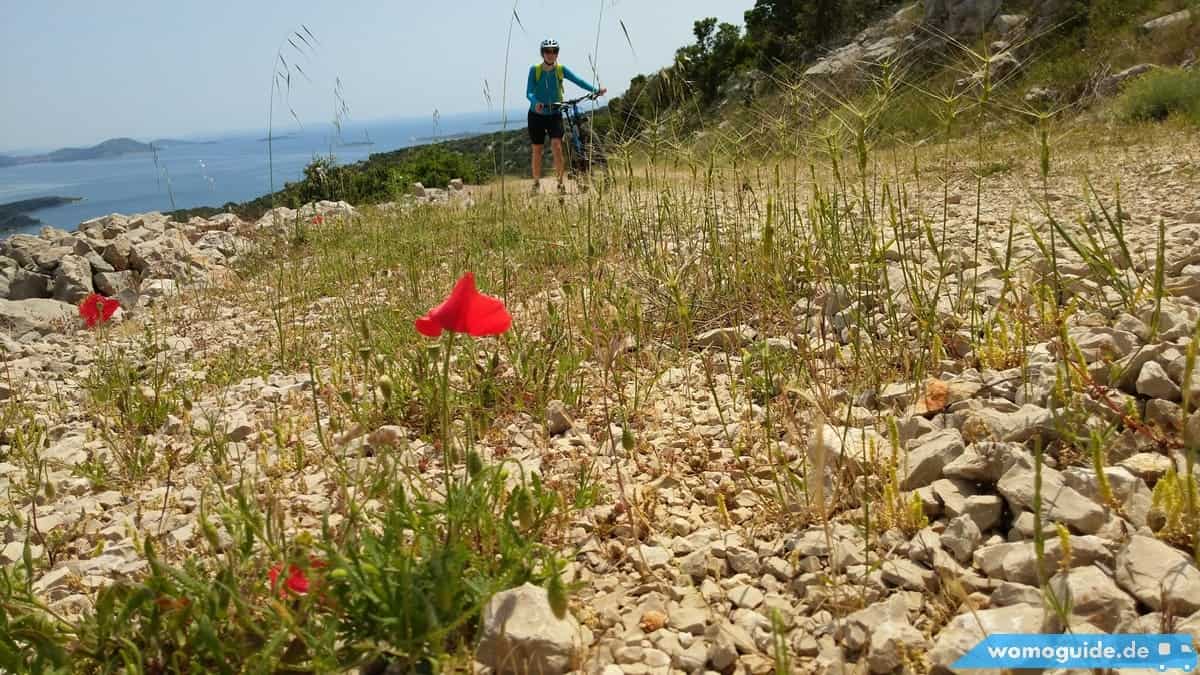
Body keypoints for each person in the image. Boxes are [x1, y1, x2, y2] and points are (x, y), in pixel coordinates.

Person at [526, 38, 606, 194]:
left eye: (554, 51)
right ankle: (536, 183)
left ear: (557, 53)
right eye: (548, 51)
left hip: (555, 113)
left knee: (557, 146)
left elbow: (578, 80)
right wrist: (535, 102)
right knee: (537, 149)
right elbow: (528, 91)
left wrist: (595, 89)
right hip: (536, 114)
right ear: (542, 53)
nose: (551, 54)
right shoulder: (534, 70)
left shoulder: (561, 70)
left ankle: (560, 183)